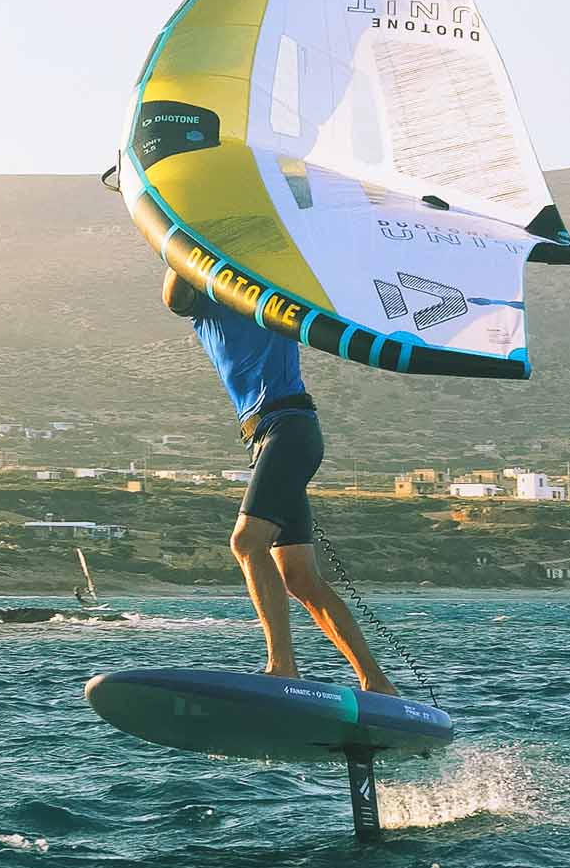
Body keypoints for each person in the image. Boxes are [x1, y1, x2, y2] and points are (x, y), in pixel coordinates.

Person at [162, 269, 397, 695]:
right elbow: (173, 295)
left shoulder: (267, 294)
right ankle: (377, 684)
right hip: (267, 438)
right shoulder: (203, 307)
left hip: (289, 428)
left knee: (246, 543)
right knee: (300, 578)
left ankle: (282, 666)